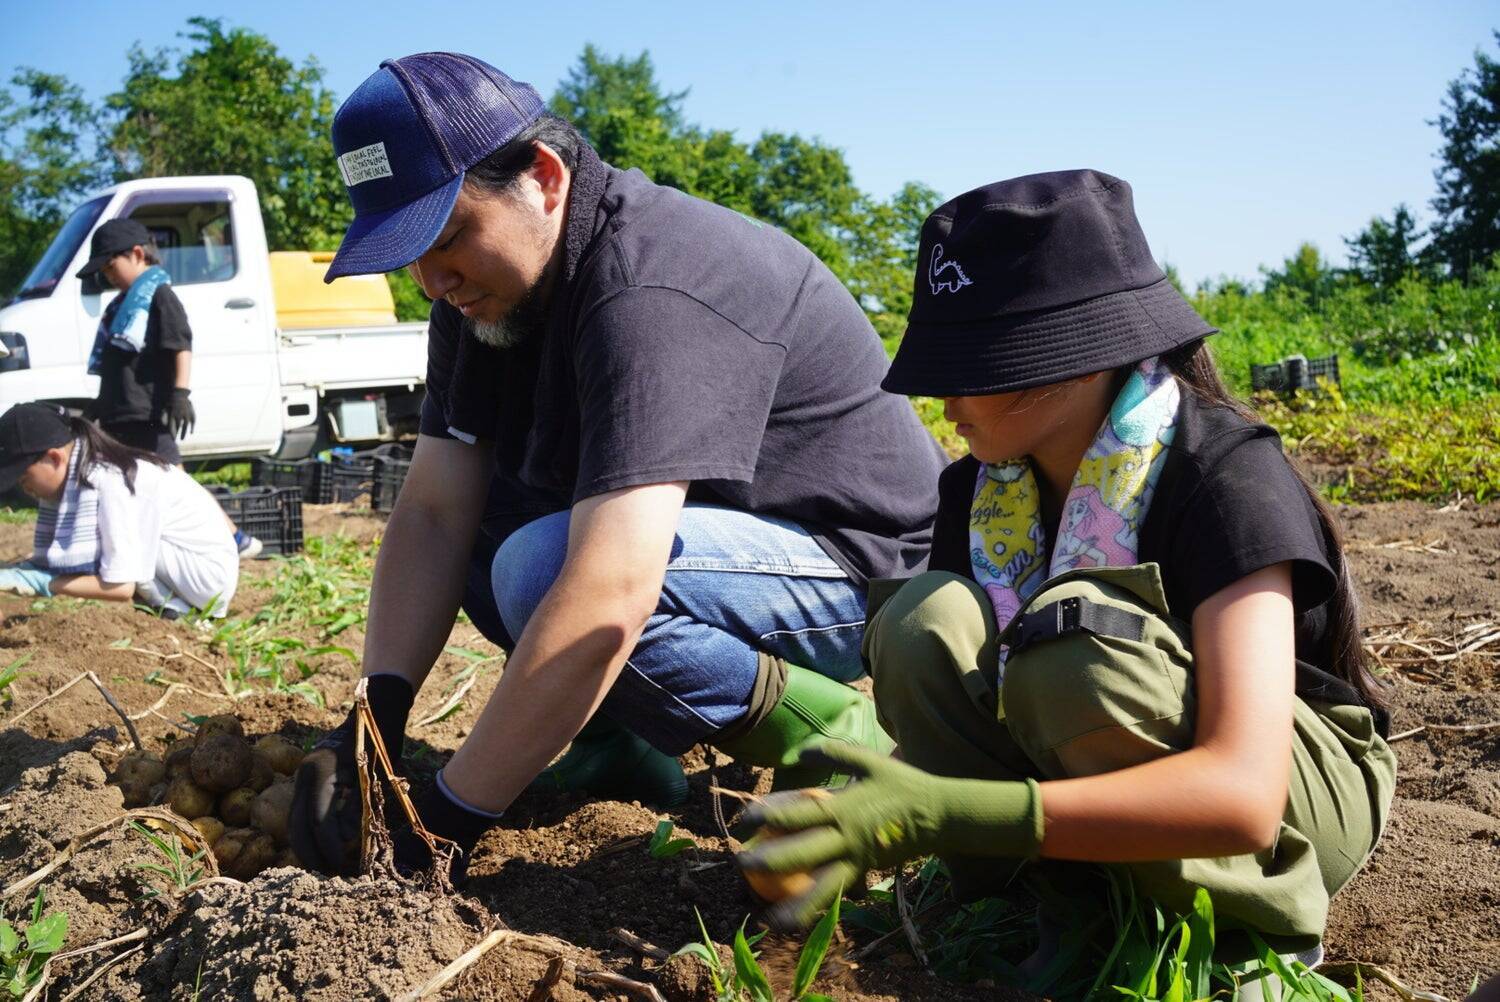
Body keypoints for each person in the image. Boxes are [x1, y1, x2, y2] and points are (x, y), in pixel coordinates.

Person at [287, 52, 948, 876]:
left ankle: (839, 734)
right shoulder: (482, 289)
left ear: (545, 179)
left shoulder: (647, 284)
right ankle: (621, 748)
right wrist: (370, 724)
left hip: (864, 569)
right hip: (716, 542)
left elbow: (611, 591)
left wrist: (448, 821)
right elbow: (432, 511)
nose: (430, 279)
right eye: (408, 254)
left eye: (448, 237)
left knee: (539, 568)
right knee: (489, 530)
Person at [738, 171, 1396, 972]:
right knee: (925, 620)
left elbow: (1245, 793)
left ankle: (1231, 939)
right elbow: (973, 705)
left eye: (975, 359)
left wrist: (946, 809)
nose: (943, 394)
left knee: (1070, 640)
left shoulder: (1225, 478)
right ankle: (1046, 896)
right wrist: (859, 809)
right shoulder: (978, 489)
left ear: (1077, 359)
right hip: (1100, 752)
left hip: (1286, 797)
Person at [74, 218, 262, 559]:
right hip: (120, 413)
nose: (107, 276)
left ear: (136, 254)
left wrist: (180, 394)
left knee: (178, 483)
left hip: (146, 413)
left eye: (110, 266)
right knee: (123, 484)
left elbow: (180, 345)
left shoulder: (159, 296)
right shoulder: (121, 305)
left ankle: (235, 538)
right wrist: (101, 403)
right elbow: (116, 362)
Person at [0, 402, 238, 617]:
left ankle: (182, 612)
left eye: (22, 477)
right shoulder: (92, 470)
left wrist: (40, 581)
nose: (23, 487)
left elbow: (121, 586)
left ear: (54, 458)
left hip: (208, 577)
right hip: (182, 566)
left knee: (126, 557)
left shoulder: (111, 483)